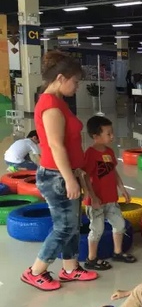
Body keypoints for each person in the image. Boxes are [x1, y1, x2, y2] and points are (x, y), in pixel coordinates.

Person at [21, 50, 98, 291]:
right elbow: (55, 146)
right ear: (61, 78)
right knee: (63, 227)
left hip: (66, 173)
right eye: (75, 81)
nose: (77, 86)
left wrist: (76, 173)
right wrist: (69, 179)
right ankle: (35, 271)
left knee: (72, 224)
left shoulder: (58, 101)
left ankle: (70, 267)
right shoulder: (50, 105)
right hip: (56, 176)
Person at [82, 116, 136, 271]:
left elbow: (113, 171)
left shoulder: (110, 152)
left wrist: (122, 189)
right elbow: (85, 177)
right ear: (96, 136)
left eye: (112, 133)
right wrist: (93, 197)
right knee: (97, 230)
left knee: (119, 225)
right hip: (96, 202)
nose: (112, 136)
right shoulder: (90, 153)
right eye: (108, 134)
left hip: (111, 199)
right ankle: (91, 259)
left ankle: (117, 252)